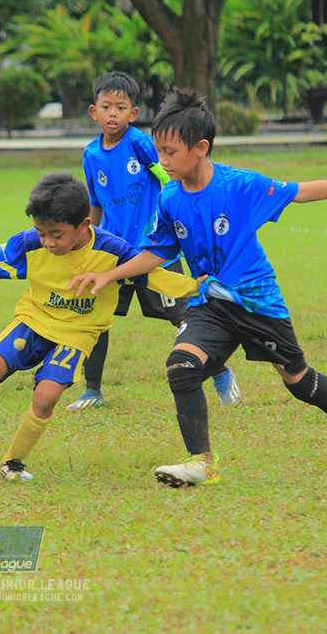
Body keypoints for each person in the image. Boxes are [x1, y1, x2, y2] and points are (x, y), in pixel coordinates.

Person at [71, 88, 327, 488]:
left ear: (201, 148)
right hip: (210, 303)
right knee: (181, 365)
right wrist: (110, 274)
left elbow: (300, 191)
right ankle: (201, 462)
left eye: (170, 153)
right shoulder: (170, 197)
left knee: (297, 380)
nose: (161, 161)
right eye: (158, 151)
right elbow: (157, 251)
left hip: (256, 301)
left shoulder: (239, 185)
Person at [0, 172, 200, 482]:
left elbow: (154, 276)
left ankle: (12, 462)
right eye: (42, 232)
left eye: (56, 234)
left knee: (45, 398)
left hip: (78, 333)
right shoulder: (29, 245)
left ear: (84, 225)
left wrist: (194, 287)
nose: (48, 242)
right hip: (34, 320)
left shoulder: (113, 251)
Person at [67, 71, 239, 412]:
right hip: (112, 252)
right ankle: (92, 390)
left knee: (180, 316)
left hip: (150, 248)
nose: (113, 113)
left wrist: (172, 217)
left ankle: (219, 372)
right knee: (94, 317)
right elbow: (96, 203)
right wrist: (86, 240)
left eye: (121, 107)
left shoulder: (140, 143)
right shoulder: (91, 154)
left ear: (133, 113)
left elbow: (167, 179)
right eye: (106, 107)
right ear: (93, 112)